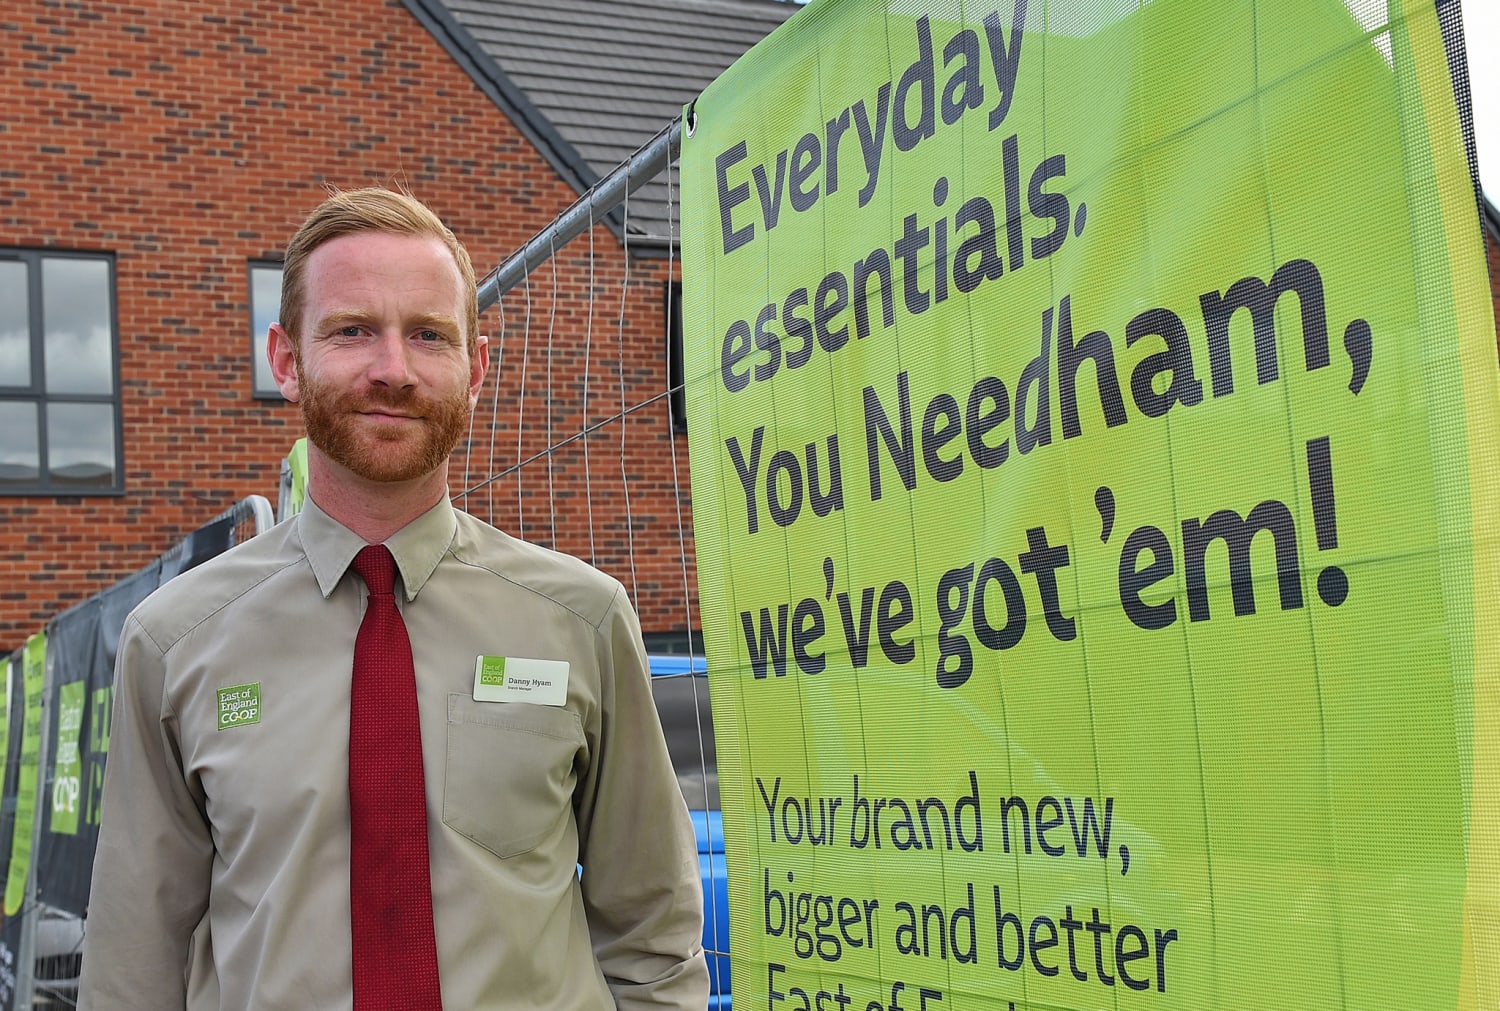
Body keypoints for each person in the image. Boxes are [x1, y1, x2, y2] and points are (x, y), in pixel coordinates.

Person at [78, 187, 710, 1009]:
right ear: (285, 361)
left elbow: (654, 938)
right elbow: (133, 965)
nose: (393, 369)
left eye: (428, 334)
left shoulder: (582, 621)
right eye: (351, 330)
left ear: (475, 369)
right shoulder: (173, 643)